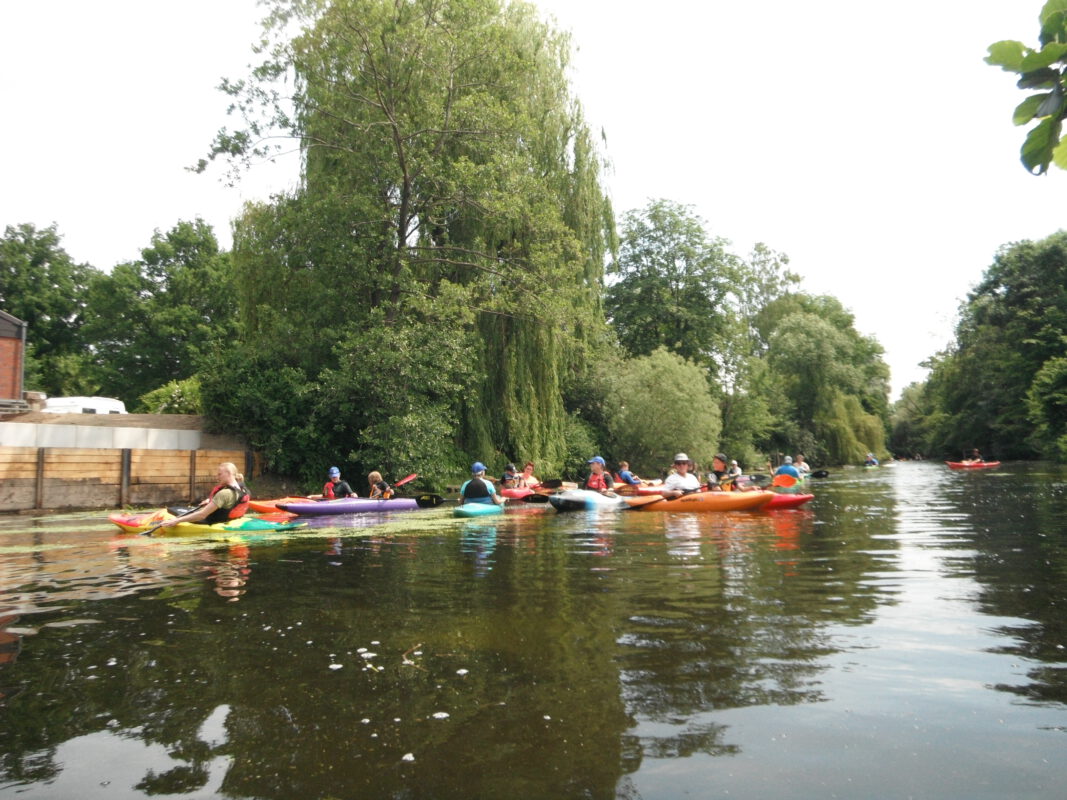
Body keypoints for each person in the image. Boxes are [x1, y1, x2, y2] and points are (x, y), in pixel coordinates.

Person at [159, 462, 250, 528]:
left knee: (172, 512)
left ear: (229, 474)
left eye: (219, 474)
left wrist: (176, 521)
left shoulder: (224, 494)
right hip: (230, 520)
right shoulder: (242, 488)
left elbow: (202, 515)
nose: (217, 477)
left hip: (211, 521)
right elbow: (229, 502)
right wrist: (211, 501)